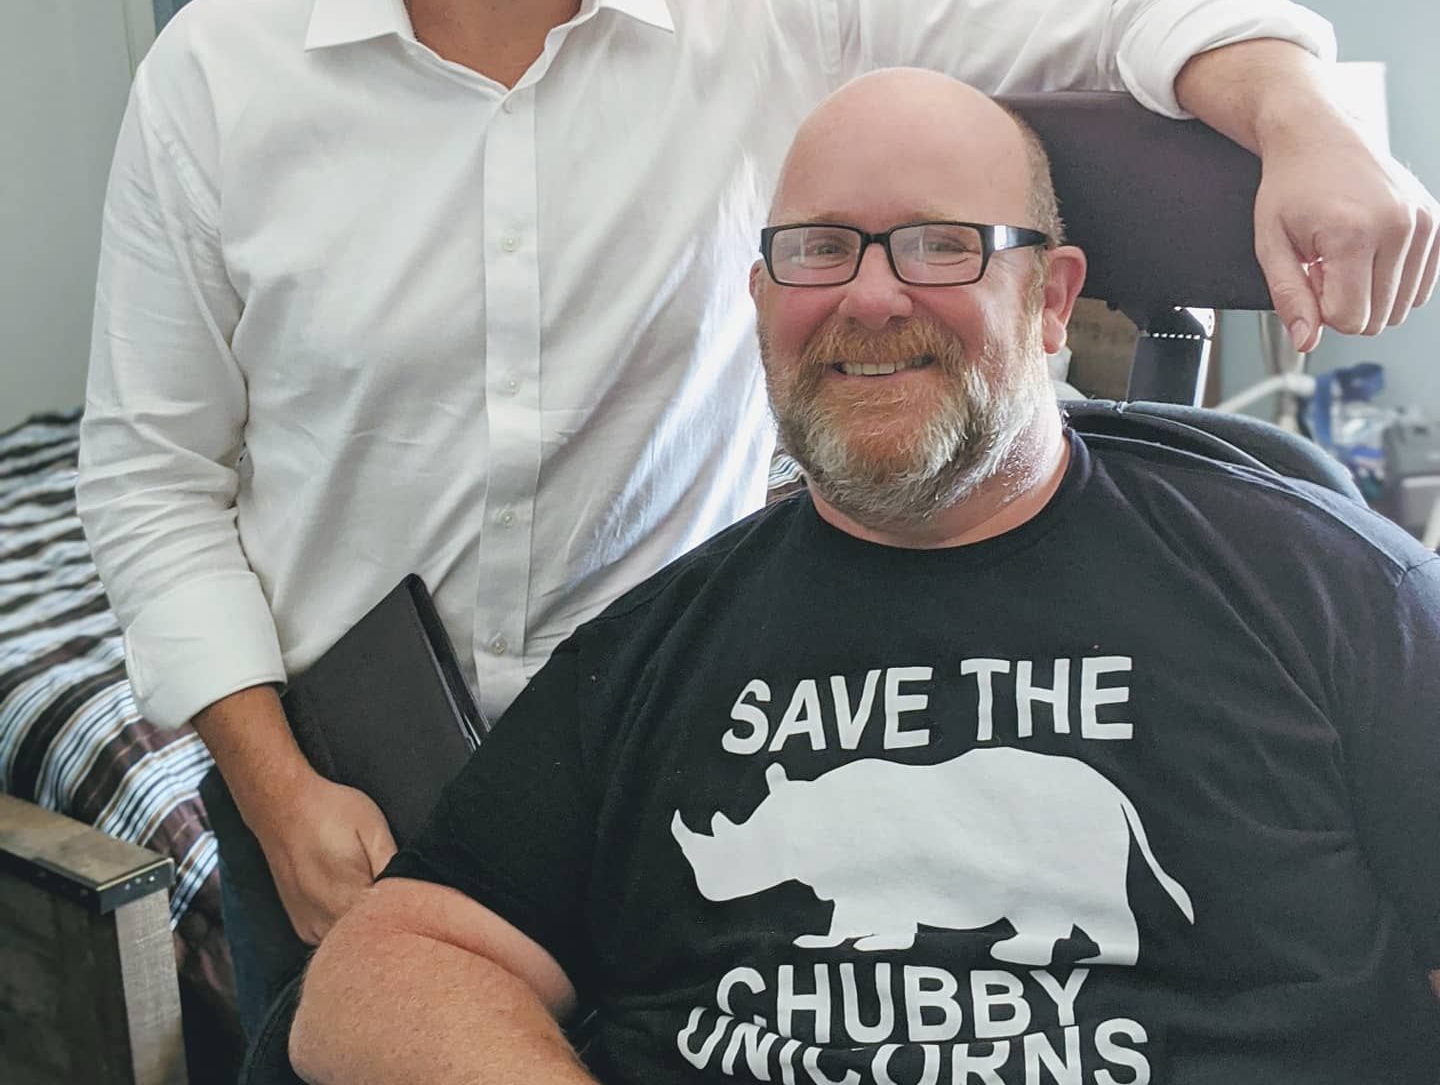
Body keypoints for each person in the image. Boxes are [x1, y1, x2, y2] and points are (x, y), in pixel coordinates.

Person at [78, 0, 1438, 1042]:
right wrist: (273, 788)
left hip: (664, 756)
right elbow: (150, 476)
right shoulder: (216, 78)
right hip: (331, 794)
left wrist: (1305, 123)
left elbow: (1137, 6)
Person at [291, 69, 1440, 1085]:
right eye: (818, 249)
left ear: (1049, 300)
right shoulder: (647, 653)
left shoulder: (1326, 591)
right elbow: (384, 973)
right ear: (763, 305)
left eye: (942, 243)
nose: (871, 296)